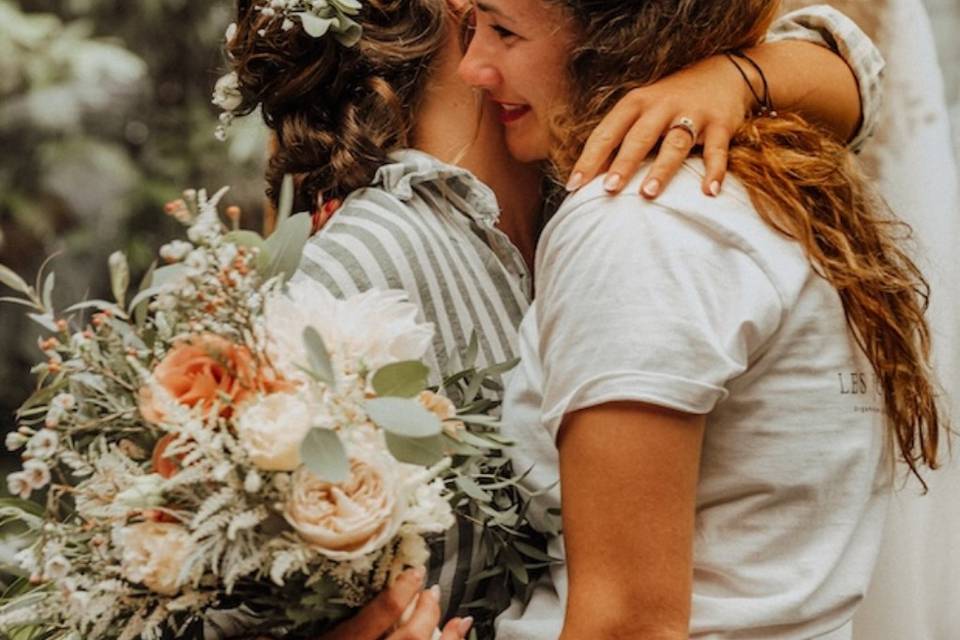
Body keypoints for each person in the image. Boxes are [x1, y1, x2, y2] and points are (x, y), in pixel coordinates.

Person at [223, 0, 889, 637]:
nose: (480, 60)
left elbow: (855, 73)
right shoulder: (363, 266)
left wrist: (735, 77)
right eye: (478, 24)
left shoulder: (627, 200)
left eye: (503, 30)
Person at [457, 0, 942, 638]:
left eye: (503, 31)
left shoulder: (639, 225)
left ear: (615, 39)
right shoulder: (764, 176)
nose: (473, 67)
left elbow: (626, 623)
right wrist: (737, 77)